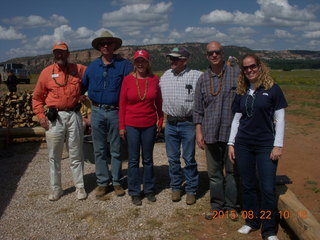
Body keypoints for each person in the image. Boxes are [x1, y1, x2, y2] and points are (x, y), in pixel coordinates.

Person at [228, 53, 288, 240]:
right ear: (243, 71)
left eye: (252, 66)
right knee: (248, 185)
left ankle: (269, 230)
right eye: (246, 68)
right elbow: (236, 120)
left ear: (260, 66)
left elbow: (280, 119)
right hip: (243, 144)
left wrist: (278, 145)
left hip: (265, 145)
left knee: (267, 187)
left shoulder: (273, 89)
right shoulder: (242, 91)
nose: (250, 70)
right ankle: (252, 221)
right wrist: (231, 143)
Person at [32, 41, 87, 201]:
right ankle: (56, 189)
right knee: (54, 156)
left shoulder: (78, 69)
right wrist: (41, 116)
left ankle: (80, 187)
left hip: (74, 115)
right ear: (53, 54)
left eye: (62, 52)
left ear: (68, 54)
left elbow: (93, 77)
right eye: (56, 52)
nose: (59, 55)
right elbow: (36, 98)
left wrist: (87, 94)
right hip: (55, 118)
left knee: (76, 153)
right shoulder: (46, 73)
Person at [82, 30, 133, 199]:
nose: (105, 45)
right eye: (102, 43)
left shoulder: (124, 65)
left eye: (108, 43)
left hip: (115, 112)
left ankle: (117, 181)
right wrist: (83, 111)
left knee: (116, 149)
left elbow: (131, 87)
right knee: (99, 149)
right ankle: (103, 182)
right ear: (98, 46)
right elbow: (81, 89)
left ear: (114, 46)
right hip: (96, 111)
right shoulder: (92, 67)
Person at [193, 41, 240, 218]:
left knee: (233, 173)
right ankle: (217, 206)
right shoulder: (203, 79)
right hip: (210, 133)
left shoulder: (236, 74)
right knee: (214, 174)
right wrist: (199, 132)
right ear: (207, 56)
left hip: (231, 135)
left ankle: (232, 207)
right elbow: (197, 109)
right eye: (211, 53)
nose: (214, 55)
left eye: (217, 52)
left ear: (222, 53)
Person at [119, 49, 163, 206]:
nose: (140, 64)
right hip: (131, 124)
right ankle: (135, 191)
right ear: (134, 63)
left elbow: (159, 103)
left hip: (149, 124)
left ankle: (150, 189)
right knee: (133, 160)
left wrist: (160, 120)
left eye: (143, 61)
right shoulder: (127, 80)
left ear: (148, 62)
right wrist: (121, 126)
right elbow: (122, 104)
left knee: (148, 159)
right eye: (137, 61)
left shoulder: (154, 80)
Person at [159, 47, 202, 205]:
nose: (172, 62)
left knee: (189, 158)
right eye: (171, 59)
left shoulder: (196, 76)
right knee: (173, 159)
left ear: (185, 61)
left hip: (188, 123)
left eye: (176, 59)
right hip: (170, 123)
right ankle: (176, 187)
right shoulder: (165, 76)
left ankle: (191, 189)